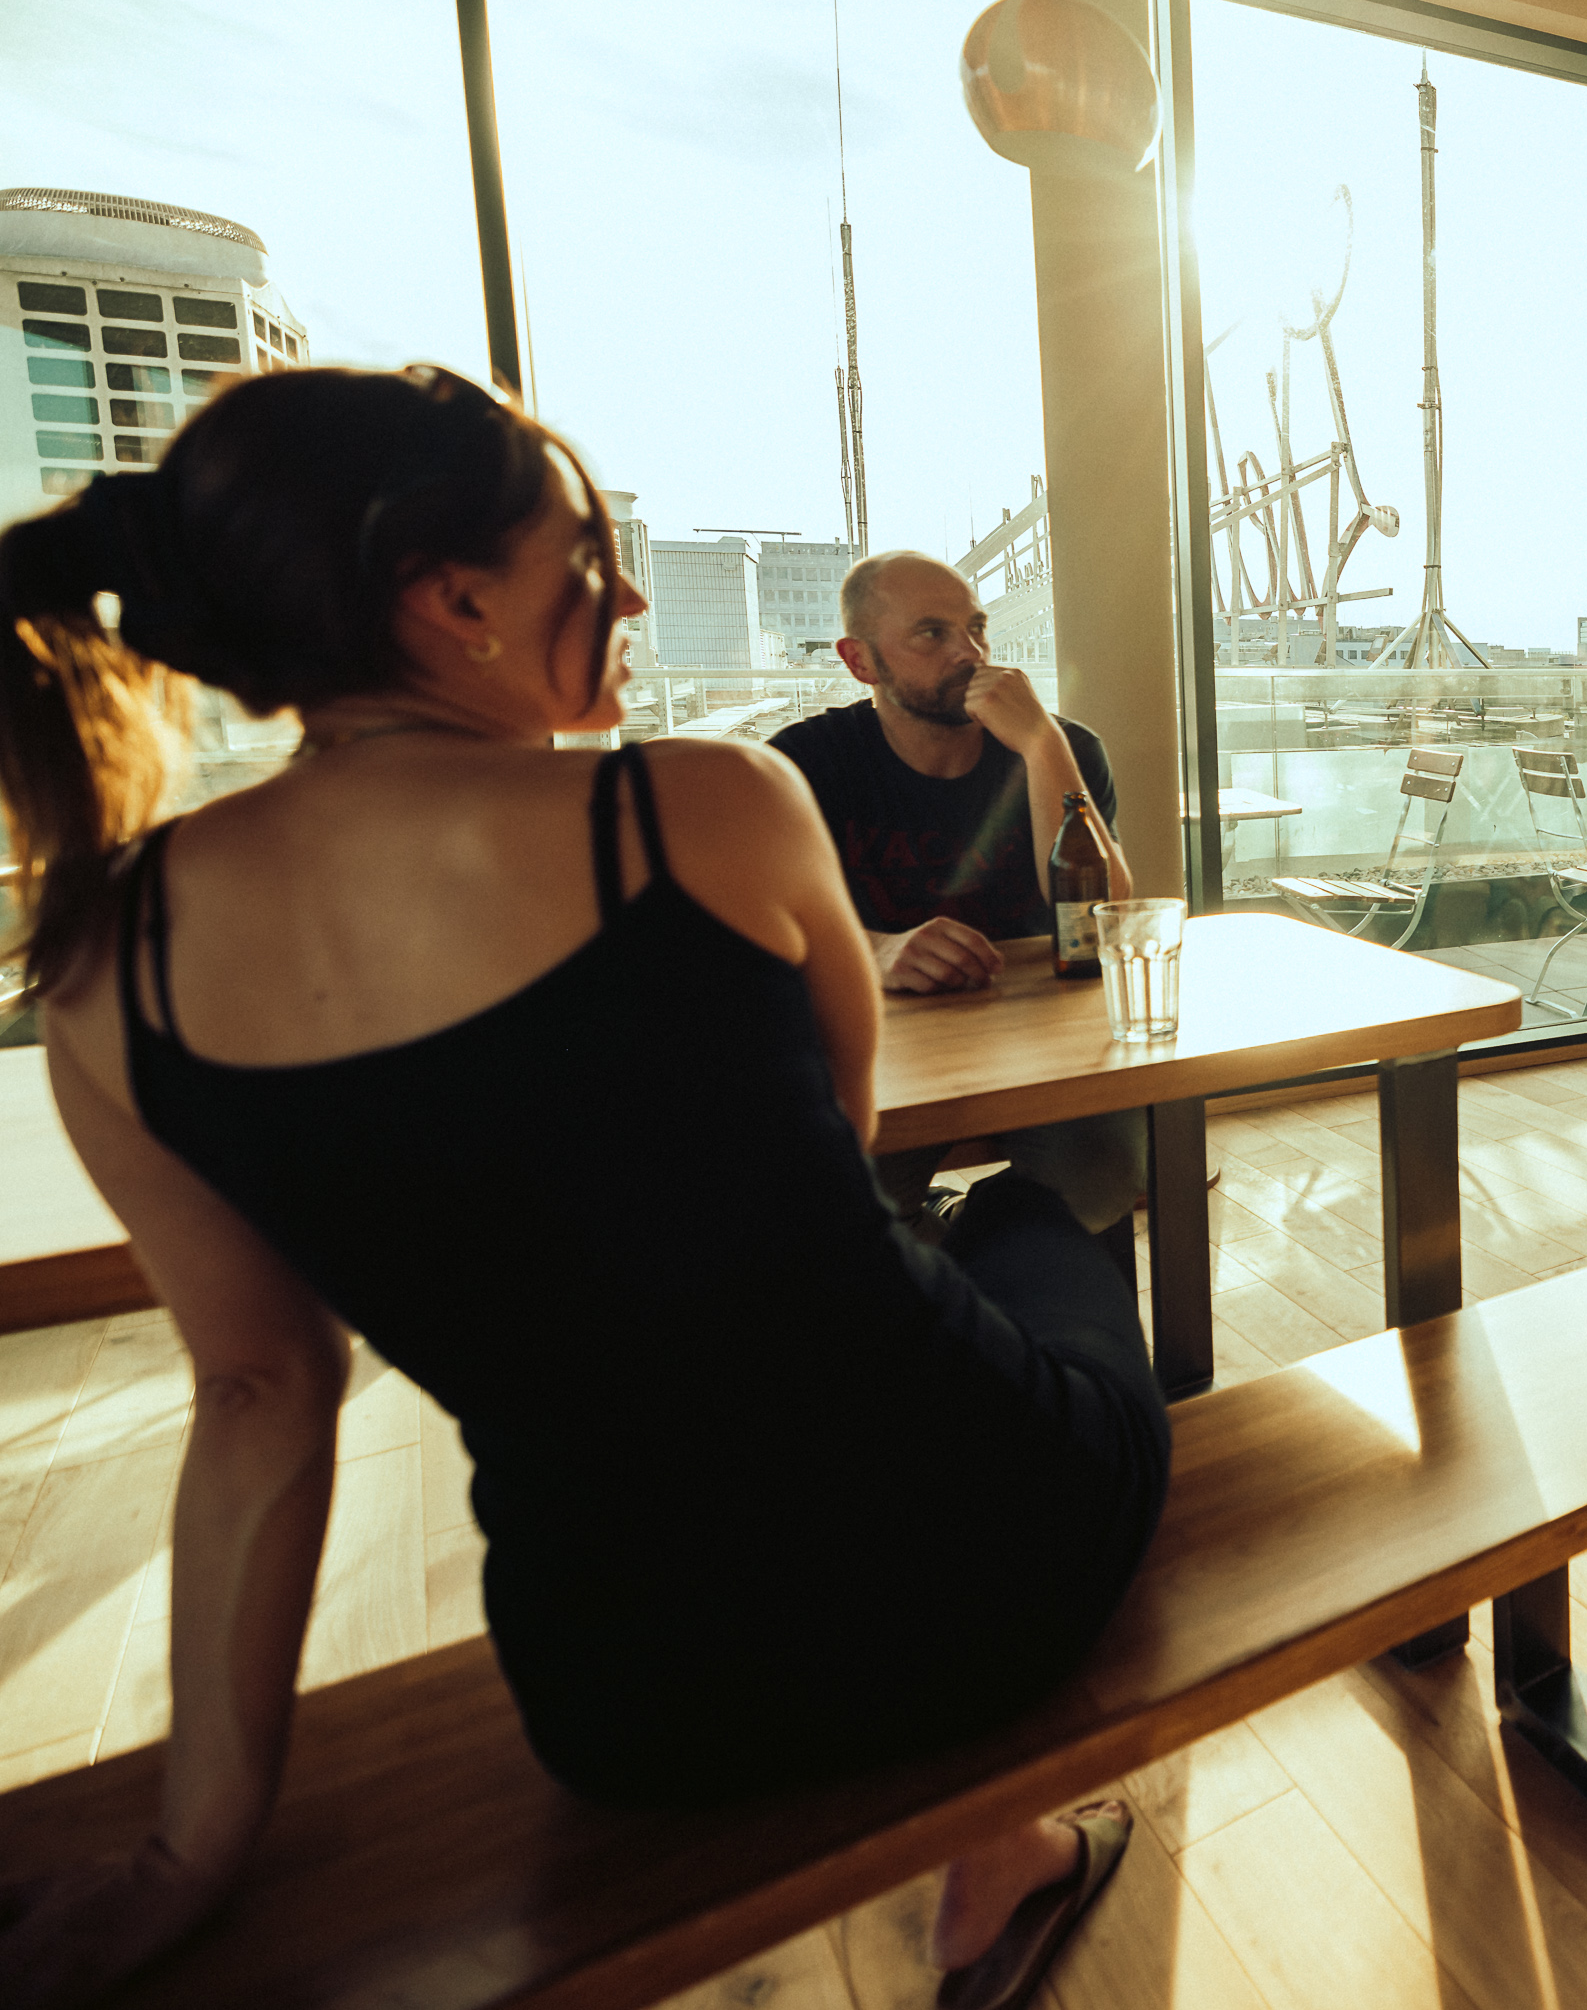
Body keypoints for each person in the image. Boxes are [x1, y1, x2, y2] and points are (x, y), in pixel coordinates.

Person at [0, 368, 1163, 2010]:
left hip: (627, 1688)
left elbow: (259, 1389)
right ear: (453, 599)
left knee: (949, 1248)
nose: (627, 593)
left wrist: (188, 1855)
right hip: (995, 1549)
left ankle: (999, 1853)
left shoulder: (112, 967)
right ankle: (1013, 1854)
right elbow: (838, 1184)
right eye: (589, 553)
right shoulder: (699, 803)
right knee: (1041, 1210)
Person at [769, 553, 1143, 1243]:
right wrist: (874, 950)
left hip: (1044, 1037)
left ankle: (958, 1244)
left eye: (975, 628)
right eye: (931, 635)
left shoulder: (1065, 750)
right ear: (860, 661)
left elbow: (1104, 924)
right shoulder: (803, 764)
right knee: (841, 1200)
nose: (969, 653)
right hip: (885, 1044)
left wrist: (1039, 744)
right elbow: (759, 932)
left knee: (1105, 1171)